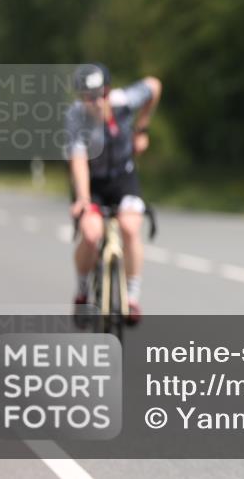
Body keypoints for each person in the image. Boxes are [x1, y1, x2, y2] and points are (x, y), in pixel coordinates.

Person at [65, 64, 161, 324]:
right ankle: (83, 290)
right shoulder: (76, 117)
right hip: (92, 183)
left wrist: (142, 128)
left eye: (100, 94)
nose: (95, 101)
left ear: (108, 90)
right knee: (91, 233)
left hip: (122, 177)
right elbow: (78, 159)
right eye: (87, 96)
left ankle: (131, 296)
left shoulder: (125, 101)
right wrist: (83, 199)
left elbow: (154, 85)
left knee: (130, 228)